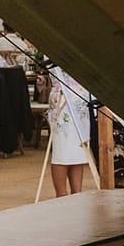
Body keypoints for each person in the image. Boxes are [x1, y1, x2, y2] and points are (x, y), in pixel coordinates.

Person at [46, 63, 94, 197]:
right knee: (63, 149)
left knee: (78, 149)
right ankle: (61, 193)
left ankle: (77, 192)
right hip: (63, 97)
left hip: (80, 99)